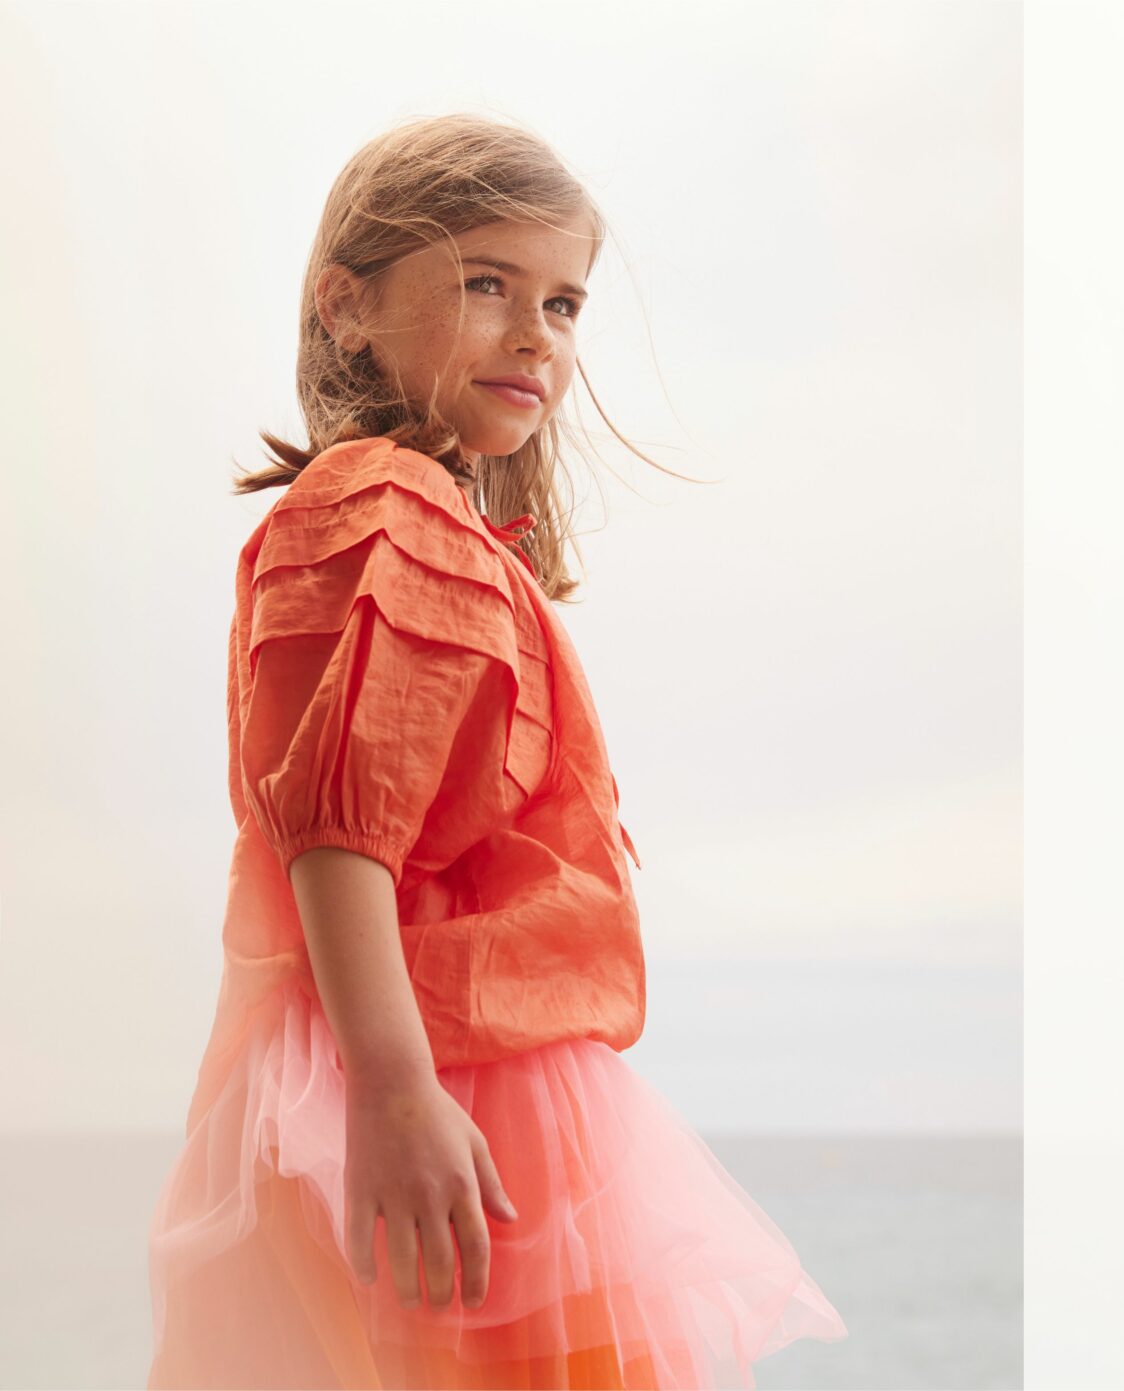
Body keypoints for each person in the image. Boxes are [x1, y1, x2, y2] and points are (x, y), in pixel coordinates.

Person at [146, 113, 846, 1389]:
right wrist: (396, 1089)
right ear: (345, 308)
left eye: (565, 303)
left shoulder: (431, 525)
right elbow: (338, 831)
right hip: (445, 1063)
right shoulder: (389, 503)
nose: (537, 333)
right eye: (487, 285)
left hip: (427, 1056)